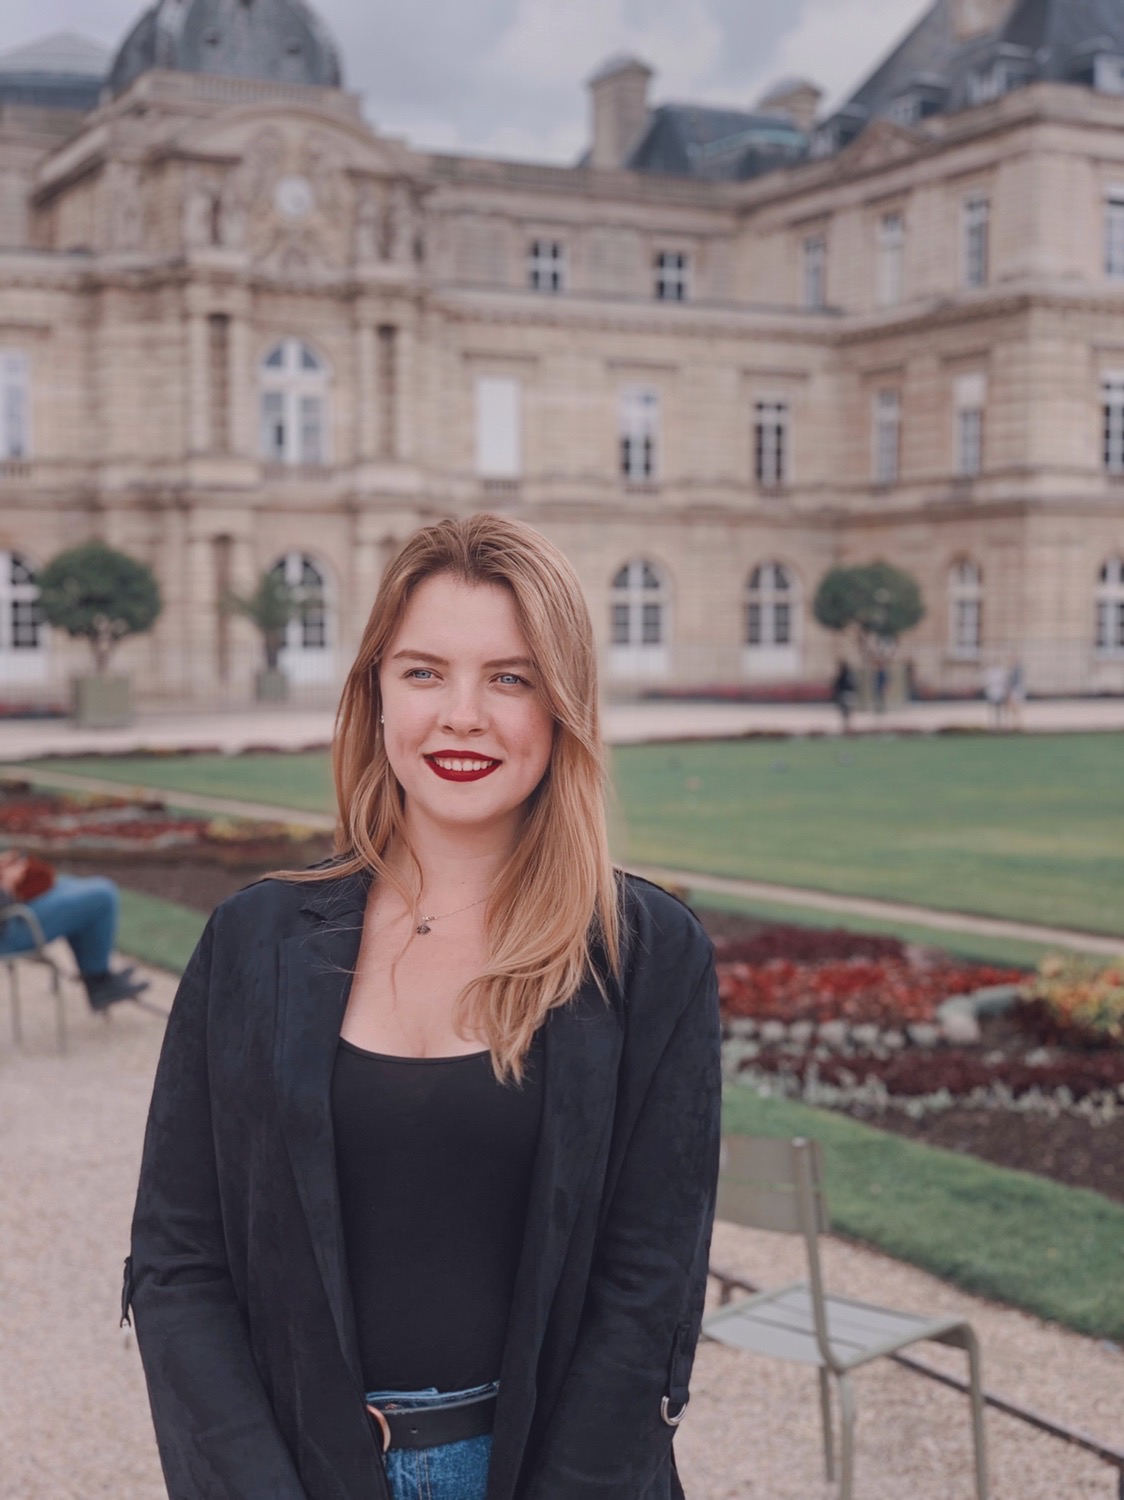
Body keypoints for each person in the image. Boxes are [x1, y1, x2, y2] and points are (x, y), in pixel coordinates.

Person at [125, 515, 722, 1500]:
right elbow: (177, 1262)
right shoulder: (252, 942)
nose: (462, 715)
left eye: (510, 677)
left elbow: (647, 1288)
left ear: (563, 704)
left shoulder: (643, 954)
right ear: (376, 693)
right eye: (424, 672)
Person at [0, 849, 150, 1009]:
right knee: (102, 895)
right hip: (8, 927)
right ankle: (98, 981)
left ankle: (97, 975)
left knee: (66, 884)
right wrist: (7, 884)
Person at [831, 659, 857, 734]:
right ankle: (847, 725)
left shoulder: (843, 675)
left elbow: (837, 685)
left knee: (845, 711)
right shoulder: (850, 675)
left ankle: (846, 725)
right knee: (847, 711)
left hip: (844, 694)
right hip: (849, 694)